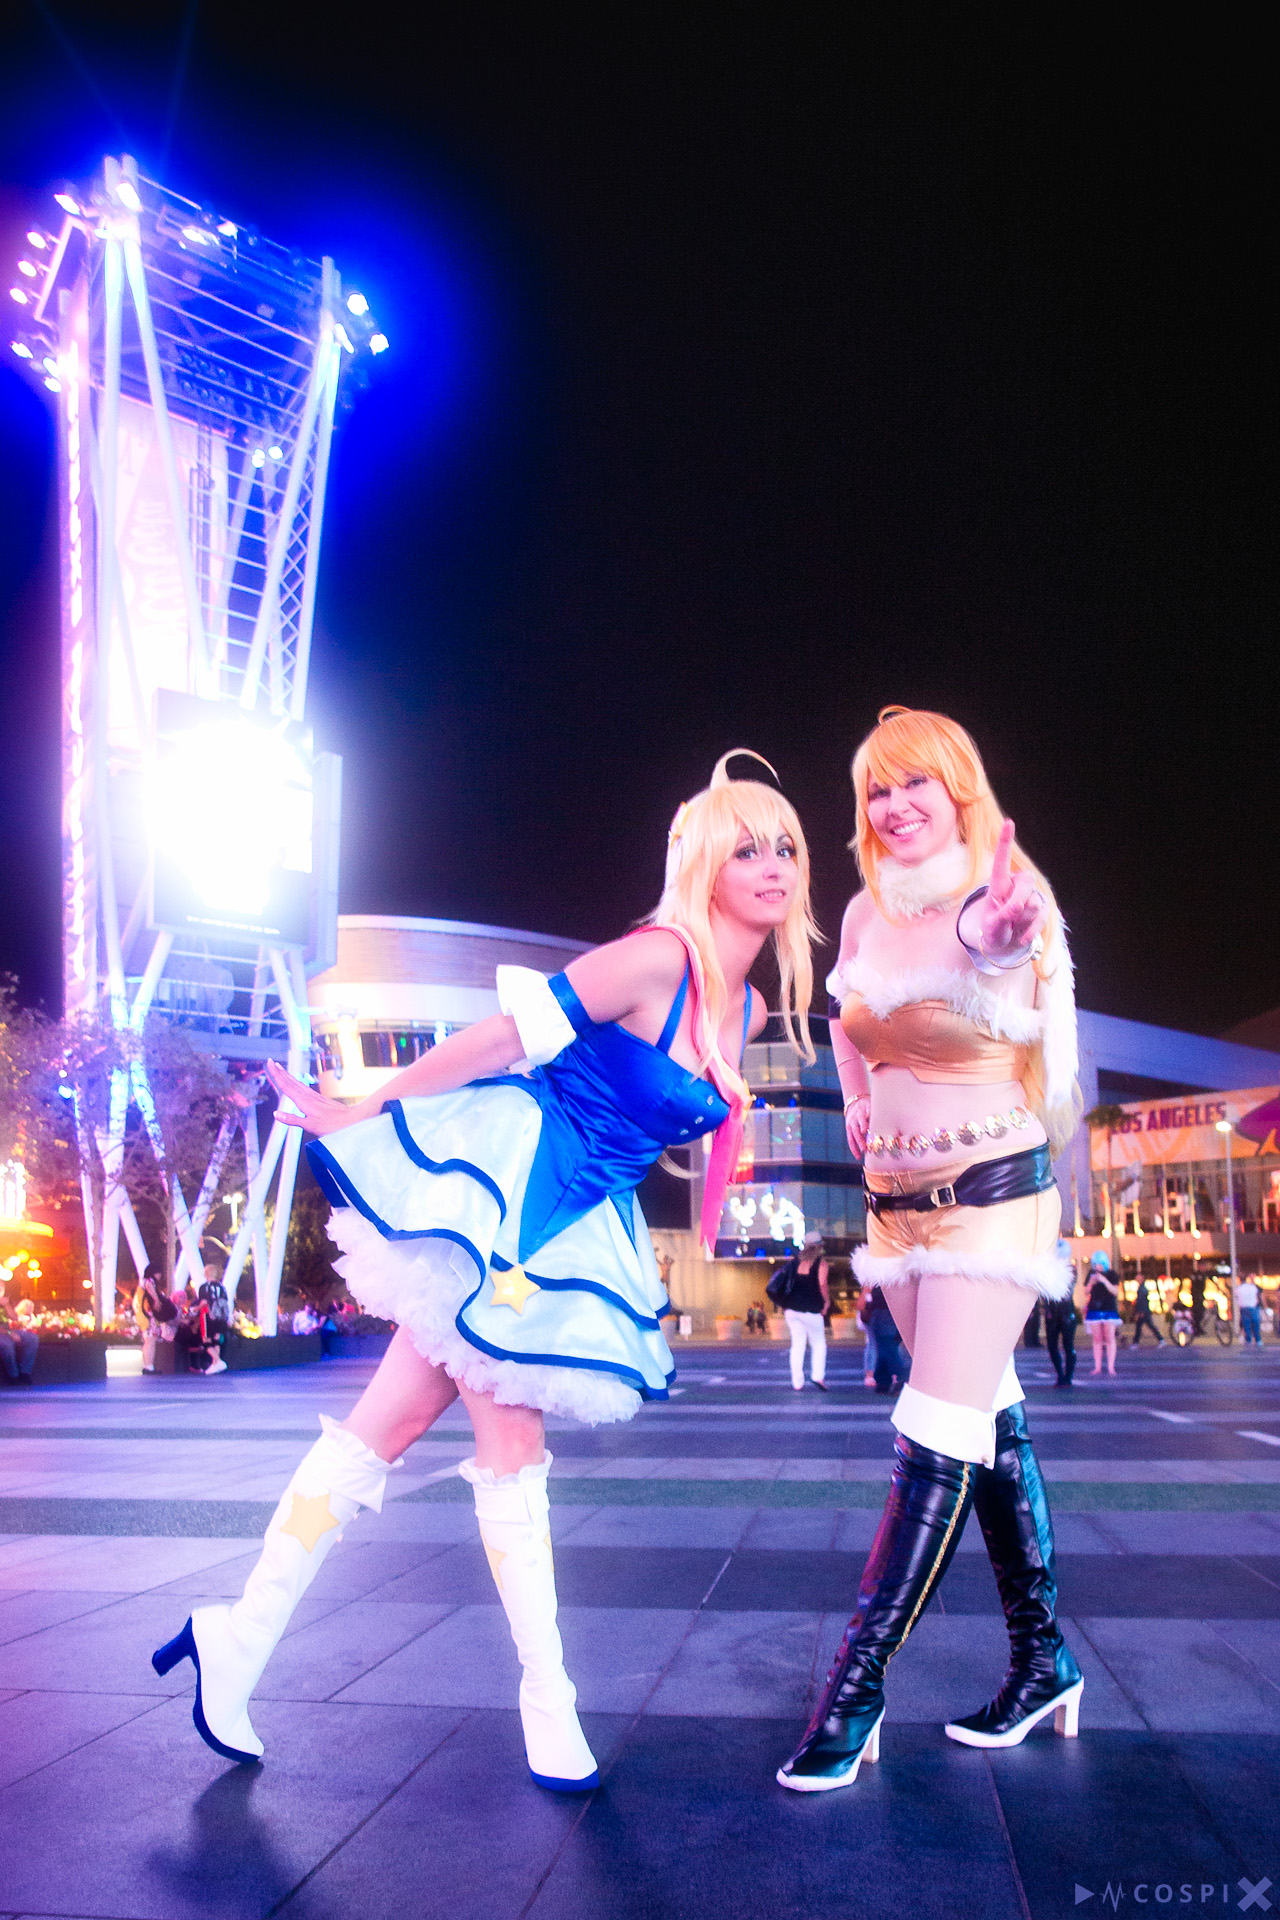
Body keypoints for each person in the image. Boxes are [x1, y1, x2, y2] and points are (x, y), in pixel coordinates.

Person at [152, 751, 816, 1790]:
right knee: (512, 1442)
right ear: (703, 862)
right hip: (511, 1197)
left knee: (381, 1430)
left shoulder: (747, 1010)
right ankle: (547, 1697)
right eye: (747, 848)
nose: (771, 866)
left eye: (784, 847)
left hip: (579, 1220)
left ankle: (234, 1640)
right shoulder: (657, 959)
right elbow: (506, 1036)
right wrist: (363, 1109)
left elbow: (666, 1131)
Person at [777, 705, 1083, 1793]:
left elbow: (991, 947)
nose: (895, 805)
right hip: (893, 1209)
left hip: (990, 1197)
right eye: (877, 789)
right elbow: (850, 1021)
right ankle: (1043, 1664)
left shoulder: (1004, 896)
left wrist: (999, 931)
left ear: (960, 789)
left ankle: (853, 1692)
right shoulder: (866, 909)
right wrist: (859, 1093)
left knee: (933, 1431)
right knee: (987, 1417)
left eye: (916, 783)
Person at [783, 1231, 830, 1390]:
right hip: (811, 1308)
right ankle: (817, 1376)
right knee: (818, 1343)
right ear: (819, 1247)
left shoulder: (794, 1263)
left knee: (797, 1345)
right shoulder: (821, 1264)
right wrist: (826, 1302)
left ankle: (797, 1382)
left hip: (792, 1309)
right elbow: (822, 1285)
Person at [1043, 1246, 1079, 1386]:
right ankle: (1060, 1375)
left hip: (1065, 1313)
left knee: (1068, 1346)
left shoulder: (1070, 1270)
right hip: (1053, 1313)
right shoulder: (1049, 1270)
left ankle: (1067, 1377)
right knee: (1052, 1347)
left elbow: (1067, 1292)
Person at [1084, 1253, 1121, 1375]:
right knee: (1097, 1339)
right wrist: (1091, 1283)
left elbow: (1115, 1291)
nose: (1097, 1267)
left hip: (1109, 1309)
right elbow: (1086, 1291)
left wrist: (1104, 1280)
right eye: (1095, 1264)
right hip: (1094, 1309)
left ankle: (1111, 1367)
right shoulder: (1091, 1274)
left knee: (1110, 1338)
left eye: (1099, 1264)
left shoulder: (1112, 1274)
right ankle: (1097, 1367)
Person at [0, 1273, 38, 1386]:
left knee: (32, 1338)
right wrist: (9, 1333)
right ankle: (14, 1375)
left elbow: (14, 1318)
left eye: (2, 1286)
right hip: (4, 1333)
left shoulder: (4, 1301)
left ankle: (24, 1373)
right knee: (7, 1345)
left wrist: (6, 1305)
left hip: (7, 1332)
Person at [1130, 1273, 1165, 1346]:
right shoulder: (1142, 1288)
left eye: (1138, 1277)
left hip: (1144, 1311)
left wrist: (1140, 1311)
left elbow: (1142, 1301)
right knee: (1142, 1326)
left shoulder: (1142, 1289)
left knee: (1145, 1326)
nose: (1136, 1278)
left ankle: (1161, 1340)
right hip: (1144, 1311)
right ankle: (1136, 1342)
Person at [1237, 1276, 1262, 1346]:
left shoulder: (1239, 1288)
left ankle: (1248, 1340)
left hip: (1244, 1308)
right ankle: (1258, 1340)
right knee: (1255, 1324)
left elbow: (1237, 1298)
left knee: (1246, 1325)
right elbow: (1257, 1297)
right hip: (1253, 1307)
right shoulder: (1252, 1287)